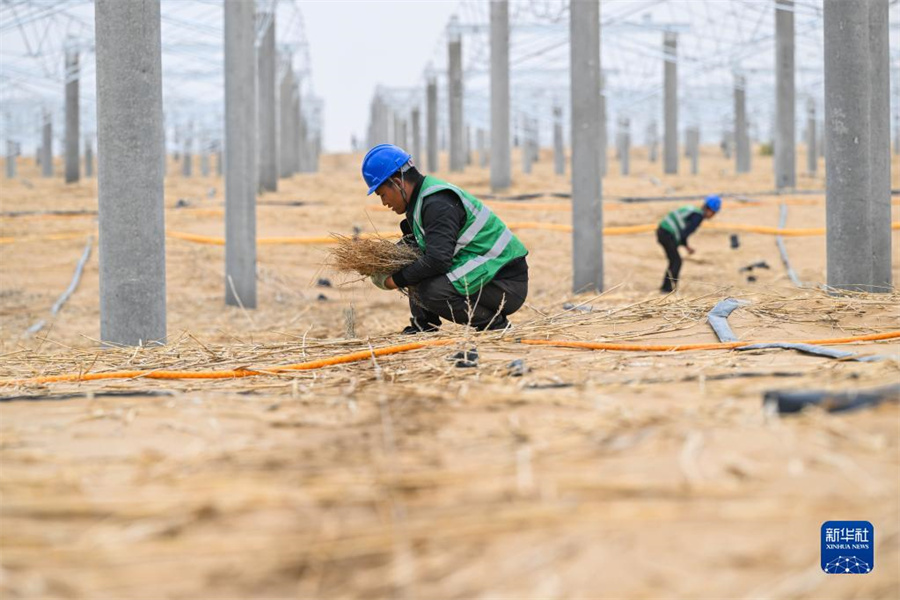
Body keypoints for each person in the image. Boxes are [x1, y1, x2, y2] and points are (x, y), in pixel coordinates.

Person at [361, 144, 529, 333]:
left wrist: (394, 281)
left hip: (505, 280)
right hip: (487, 272)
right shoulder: (419, 203)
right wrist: (381, 262)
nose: (384, 202)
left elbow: (437, 261)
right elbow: (418, 253)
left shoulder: (436, 203)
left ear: (398, 183)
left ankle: (495, 326)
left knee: (431, 291)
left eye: (382, 194)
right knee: (413, 261)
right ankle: (424, 327)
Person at [656, 195, 721, 293]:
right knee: (676, 261)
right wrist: (686, 245)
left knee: (673, 260)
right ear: (710, 210)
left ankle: (666, 287)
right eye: (714, 213)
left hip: (663, 231)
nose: (713, 215)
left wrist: (686, 246)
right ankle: (668, 289)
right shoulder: (698, 217)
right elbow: (684, 233)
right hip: (667, 233)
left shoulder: (694, 211)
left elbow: (682, 232)